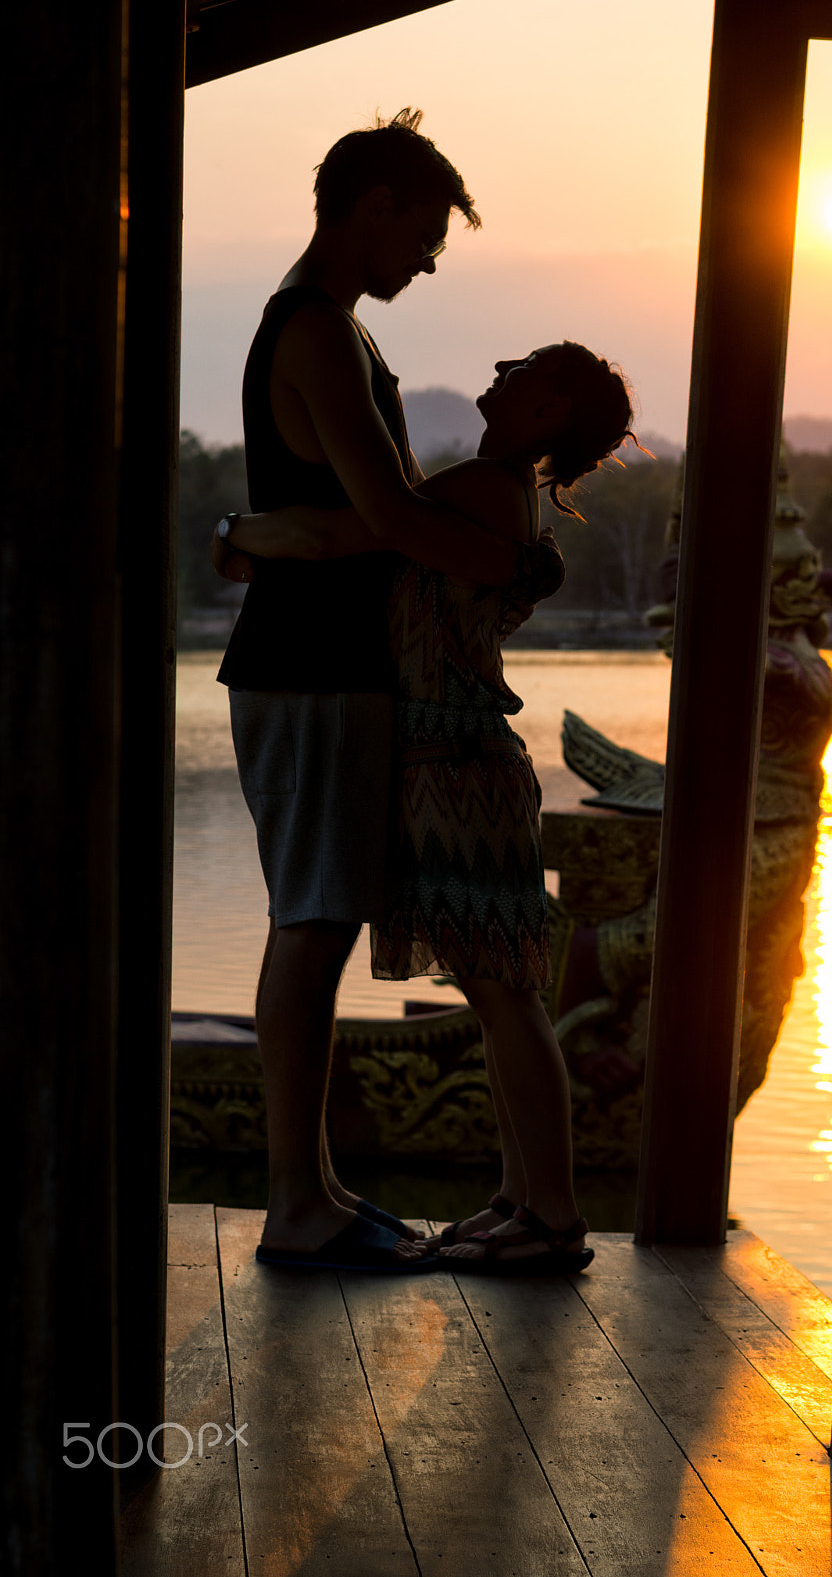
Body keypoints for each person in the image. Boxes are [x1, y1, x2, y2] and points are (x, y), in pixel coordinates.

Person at [213, 109, 562, 1274]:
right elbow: (393, 516)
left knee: (317, 916)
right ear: (372, 207)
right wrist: (511, 563)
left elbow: (370, 518)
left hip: (334, 669)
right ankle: (295, 1202)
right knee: (310, 923)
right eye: (421, 235)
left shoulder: (340, 334)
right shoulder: (311, 332)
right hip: (305, 673)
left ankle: (312, 1186)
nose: (428, 260)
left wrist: (277, 532)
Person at [223, 342, 638, 1275]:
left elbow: (338, 534)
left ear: (549, 409)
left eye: (524, 365)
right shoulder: (491, 488)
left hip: (458, 764)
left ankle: (556, 1218)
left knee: (505, 993)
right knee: (495, 995)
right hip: (446, 760)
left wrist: (231, 530)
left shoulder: (485, 487)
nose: (499, 364)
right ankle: (520, 1197)